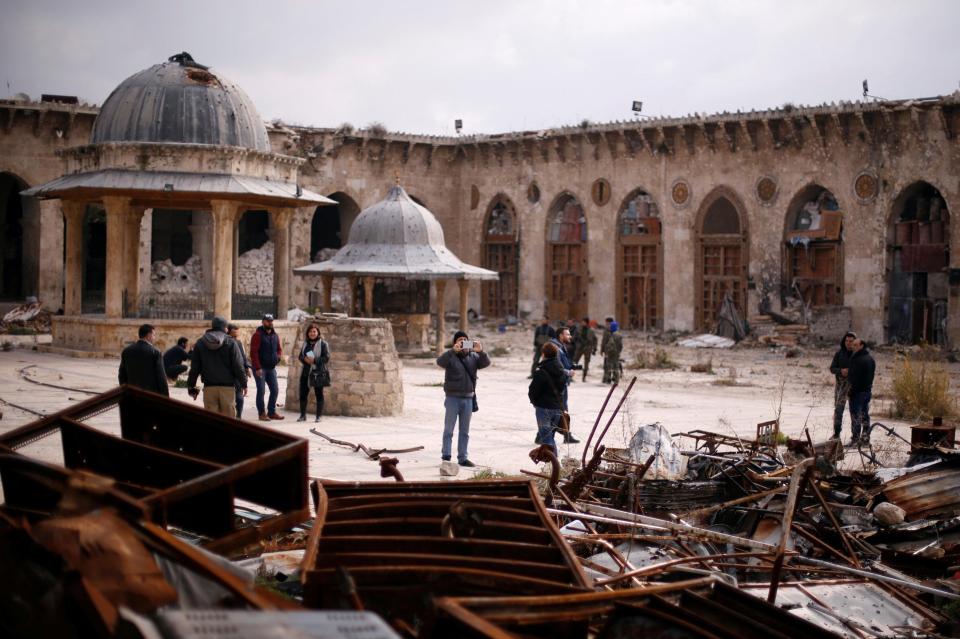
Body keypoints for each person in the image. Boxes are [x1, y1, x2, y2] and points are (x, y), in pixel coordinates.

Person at [436, 330, 490, 467]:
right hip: (452, 398)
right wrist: (452, 351)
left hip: (468, 399)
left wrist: (481, 351)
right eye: (459, 340)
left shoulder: (474, 356)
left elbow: (486, 363)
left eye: (465, 340)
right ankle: (446, 455)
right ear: (455, 342)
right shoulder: (451, 356)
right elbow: (439, 362)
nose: (462, 343)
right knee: (449, 429)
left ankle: (463, 458)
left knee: (464, 431)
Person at [186, 316, 247, 418]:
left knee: (211, 421)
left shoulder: (200, 343)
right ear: (224, 328)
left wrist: (191, 387)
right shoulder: (231, 342)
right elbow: (238, 365)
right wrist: (244, 383)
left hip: (209, 387)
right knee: (229, 420)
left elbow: (194, 368)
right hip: (227, 388)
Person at [528, 342, 566, 456]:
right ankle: (552, 465)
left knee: (546, 437)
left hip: (544, 408)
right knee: (550, 436)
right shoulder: (561, 371)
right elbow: (562, 389)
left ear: (543, 354)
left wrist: (535, 403)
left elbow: (532, 391)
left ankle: (554, 465)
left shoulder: (541, 372)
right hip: (557, 407)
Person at [549, 326, 581, 443]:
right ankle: (564, 436)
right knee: (560, 410)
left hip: (561, 383)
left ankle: (563, 435)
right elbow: (555, 367)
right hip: (558, 384)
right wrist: (568, 372)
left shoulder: (561, 347)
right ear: (560, 336)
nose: (570, 336)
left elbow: (562, 363)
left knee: (559, 410)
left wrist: (571, 366)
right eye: (567, 334)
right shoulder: (556, 348)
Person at [118, 324, 169, 396]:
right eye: (154, 335)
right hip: (150, 396)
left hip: (132, 394)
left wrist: (124, 392)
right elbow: (161, 377)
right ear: (149, 335)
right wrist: (166, 397)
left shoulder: (126, 351)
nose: (154, 338)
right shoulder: (155, 352)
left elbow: (122, 375)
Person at [251, 313, 284, 421]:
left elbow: (279, 349)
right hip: (260, 368)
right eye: (267, 321)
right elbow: (254, 352)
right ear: (263, 322)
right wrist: (257, 367)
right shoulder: (257, 335)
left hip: (271, 368)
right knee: (261, 391)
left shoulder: (275, 335)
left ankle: (271, 412)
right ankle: (261, 413)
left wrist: (278, 357)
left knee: (275, 390)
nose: (270, 322)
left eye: (271, 321)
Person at [297, 323, 330, 422]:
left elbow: (326, 358)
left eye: (314, 331)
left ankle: (318, 416)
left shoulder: (323, 344)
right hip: (306, 371)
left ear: (318, 333)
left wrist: (314, 360)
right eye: (310, 332)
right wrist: (305, 360)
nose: (312, 333)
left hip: (318, 372)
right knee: (303, 394)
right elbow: (300, 356)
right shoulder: (305, 343)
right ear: (308, 333)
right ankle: (303, 415)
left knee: (319, 394)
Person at [828, 331, 857, 440]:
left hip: (854, 388)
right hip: (840, 388)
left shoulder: (857, 354)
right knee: (838, 410)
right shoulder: (839, 354)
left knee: (854, 411)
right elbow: (832, 368)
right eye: (846, 341)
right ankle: (836, 434)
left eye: (851, 341)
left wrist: (852, 371)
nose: (848, 343)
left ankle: (855, 437)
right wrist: (841, 371)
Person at [847, 338, 876, 445]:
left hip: (858, 392)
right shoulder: (870, 359)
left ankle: (855, 439)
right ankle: (865, 438)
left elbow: (856, 379)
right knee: (865, 415)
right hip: (867, 391)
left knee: (856, 416)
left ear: (861, 346)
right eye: (853, 345)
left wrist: (850, 392)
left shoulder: (858, 359)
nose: (852, 346)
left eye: (855, 345)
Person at [227, 323, 253, 419]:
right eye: (232, 336)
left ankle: (238, 416)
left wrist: (247, 368)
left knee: (239, 396)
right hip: (227, 375)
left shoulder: (238, 343)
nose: (234, 338)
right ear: (227, 333)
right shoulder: (224, 343)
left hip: (237, 374)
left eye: (236, 336)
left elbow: (243, 357)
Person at [572, 317, 598, 382]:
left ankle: (584, 377)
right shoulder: (578, 330)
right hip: (580, 348)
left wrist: (594, 348)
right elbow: (574, 338)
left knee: (586, 363)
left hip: (587, 348)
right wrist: (575, 344)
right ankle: (570, 376)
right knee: (575, 361)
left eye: (583, 322)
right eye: (582, 322)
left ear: (586, 323)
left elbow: (595, 340)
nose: (582, 323)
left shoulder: (591, 331)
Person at [602, 318, 623, 384]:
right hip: (616, 353)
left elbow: (609, 344)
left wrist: (607, 351)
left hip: (611, 353)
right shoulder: (619, 334)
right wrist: (618, 351)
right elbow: (621, 345)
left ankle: (608, 379)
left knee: (609, 366)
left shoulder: (613, 335)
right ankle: (616, 380)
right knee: (616, 367)